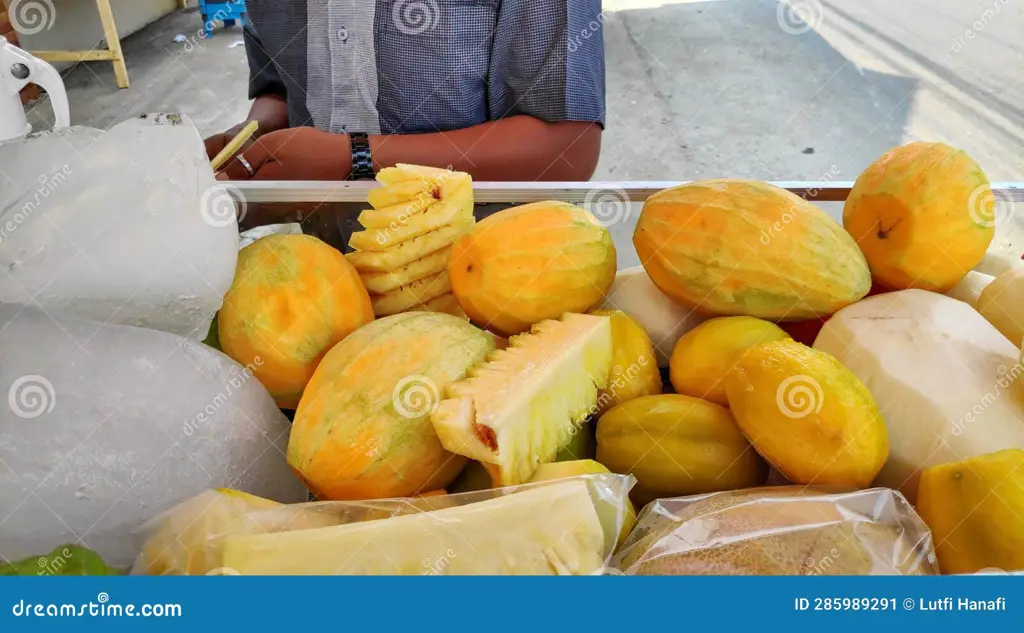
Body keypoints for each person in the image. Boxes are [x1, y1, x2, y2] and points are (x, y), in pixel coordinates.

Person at [207, 1, 606, 184]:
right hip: (325, 269)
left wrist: (356, 158)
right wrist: (251, 138)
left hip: (488, 272)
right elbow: (281, 86)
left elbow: (568, 149)